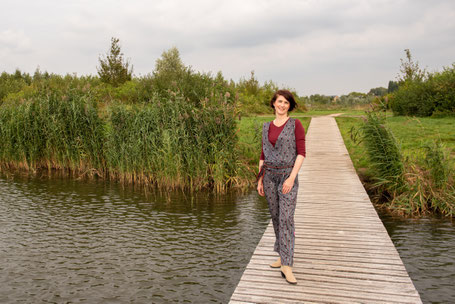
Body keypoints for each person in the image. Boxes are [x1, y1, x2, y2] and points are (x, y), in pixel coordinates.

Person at [256, 89, 305, 285]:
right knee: (276, 217)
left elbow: (301, 153)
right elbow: (262, 155)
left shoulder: (295, 125)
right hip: (269, 177)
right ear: (273, 104)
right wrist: (259, 180)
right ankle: (281, 255)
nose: (282, 105)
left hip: (287, 176)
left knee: (286, 218)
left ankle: (287, 265)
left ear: (289, 106)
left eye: (286, 102)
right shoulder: (266, 126)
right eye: (279, 102)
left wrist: (292, 178)